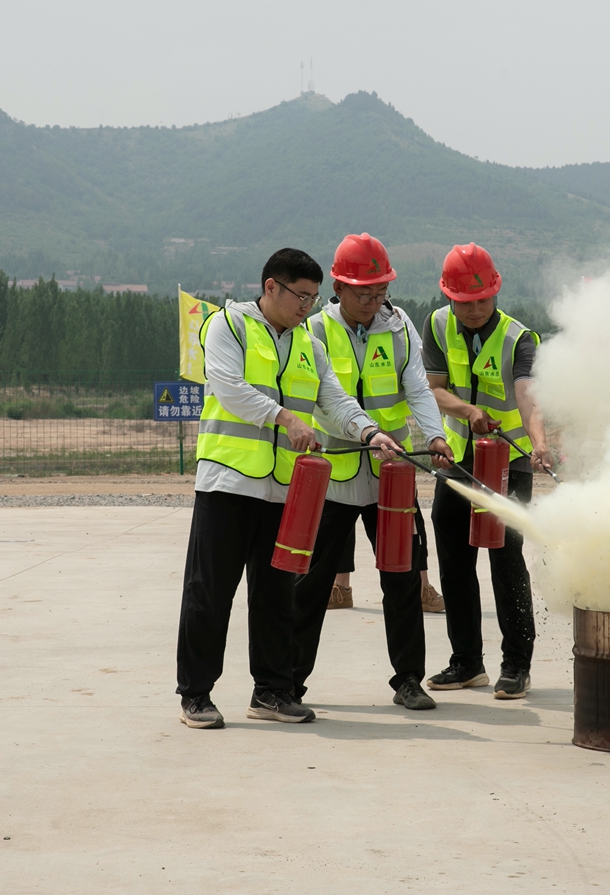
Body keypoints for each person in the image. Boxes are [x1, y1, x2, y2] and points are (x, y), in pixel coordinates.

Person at [176, 247, 401, 729]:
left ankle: (272, 692)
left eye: (313, 298)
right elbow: (229, 387)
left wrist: (370, 432)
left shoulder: (309, 344)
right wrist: (284, 417)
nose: (307, 306)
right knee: (209, 592)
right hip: (228, 483)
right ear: (271, 287)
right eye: (300, 295)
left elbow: (335, 399)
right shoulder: (228, 326)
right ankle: (196, 694)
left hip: (284, 490)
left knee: (278, 594)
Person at [292, 233, 454, 711]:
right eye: (363, 292)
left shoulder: (399, 327)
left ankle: (409, 680)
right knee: (311, 584)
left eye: (381, 291)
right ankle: (288, 683)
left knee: (402, 578)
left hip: (393, 474)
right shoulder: (314, 331)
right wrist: (366, 433)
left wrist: (434, 436)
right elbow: (326, 398)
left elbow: (418, 388)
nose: (373, 301)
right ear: (338, 288)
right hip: (335, 473)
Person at [422, 243, 554, 700]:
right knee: (454, 559)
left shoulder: (519, 339)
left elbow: (528, 397)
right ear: (449, 296)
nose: (475, 310)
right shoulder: (437, 325)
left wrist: (539, 444)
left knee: (505, 557)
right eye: (464, 301)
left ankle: (517, 665)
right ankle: (466, 663)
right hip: (457, 458)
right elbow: (433, 389)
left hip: (508, 462)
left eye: (482, 299)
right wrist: (468, 411)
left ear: (496, 291)